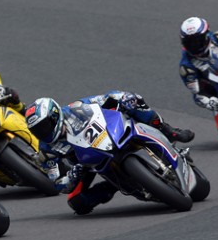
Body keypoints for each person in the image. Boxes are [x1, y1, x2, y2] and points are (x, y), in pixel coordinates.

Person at [25, 91, 194, 215]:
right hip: (86, 164)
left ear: (55, 116)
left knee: (135, 102)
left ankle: (167, 130)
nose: (43, 133)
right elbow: (57, 183)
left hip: (107, 136)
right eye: (38, 131)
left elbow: (108, 97)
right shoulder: (46, 149)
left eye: (45, 126)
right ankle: (113, 185)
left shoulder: (76, 108)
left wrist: (124, 98)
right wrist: (71, 176)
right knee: (77, 203)